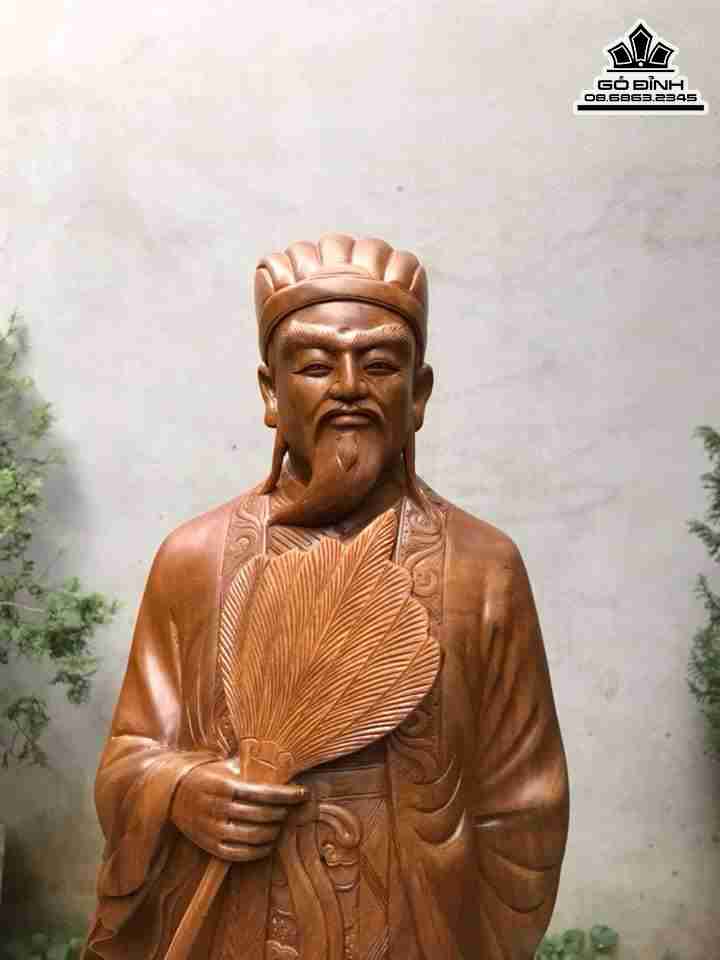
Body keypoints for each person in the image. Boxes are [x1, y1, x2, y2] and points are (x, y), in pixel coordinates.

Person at [85, 233, 569, 960]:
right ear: (270, 393)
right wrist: (183, 792)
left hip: (418, 931)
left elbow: (526, 796)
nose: (348, 385)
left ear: (419, 394)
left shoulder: (484, 567)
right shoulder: (194, 561)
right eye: (314, 365)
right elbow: (130, 758)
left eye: (380, 364)